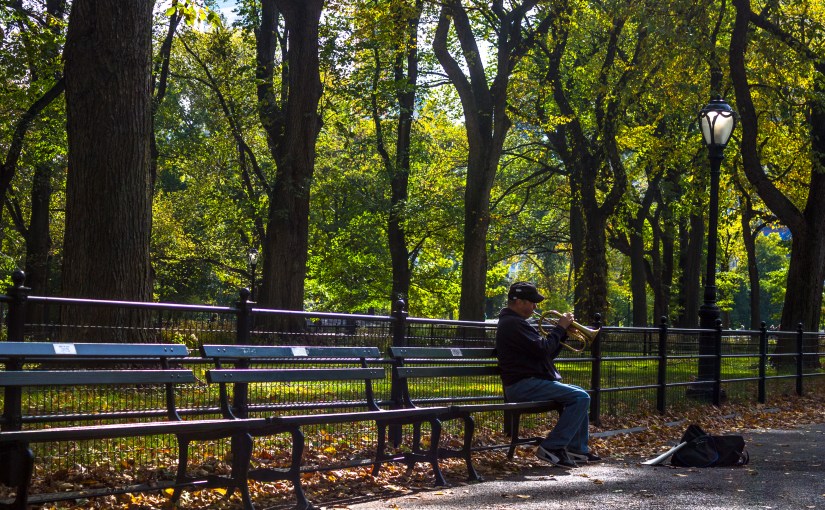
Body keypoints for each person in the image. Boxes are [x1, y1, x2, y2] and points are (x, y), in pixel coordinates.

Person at [495, 281, 599, 468]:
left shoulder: (517, 323)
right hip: (522, 386)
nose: (535, 307)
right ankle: (552, 447)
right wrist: (559, 328)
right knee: (580, 396)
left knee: (580, 393)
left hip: (531, 383)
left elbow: (547, 353)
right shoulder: (512, 324)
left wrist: (563, 334)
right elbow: (544, 350)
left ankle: (576, 449)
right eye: (532, 302)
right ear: (518, 301)